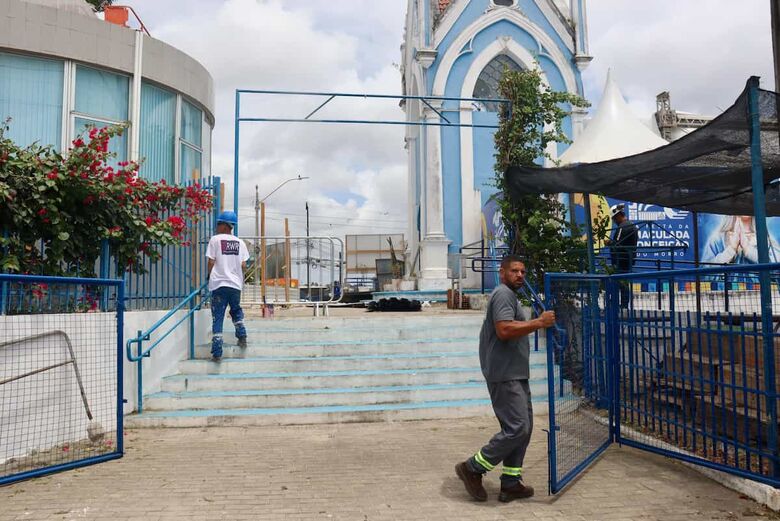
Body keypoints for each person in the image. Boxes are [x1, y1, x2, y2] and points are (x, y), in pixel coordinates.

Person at [455, 255, 556, 503]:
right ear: (502, 273)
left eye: (523, 271)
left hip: (515, 372)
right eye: (514, 271)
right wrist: (538, 322)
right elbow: (504, 329)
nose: (520, 275)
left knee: (523, 429)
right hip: (505, 374)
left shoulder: (510, 295)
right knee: (517, 428)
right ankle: (472, 468)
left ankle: (511, 483)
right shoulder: (502, 294)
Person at [206, 210, 250, 362]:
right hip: (235, 285)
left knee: (218, 315)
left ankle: (217, 351)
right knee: (236, 310)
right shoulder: (240, 243)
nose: (217, 226)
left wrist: (209, 275)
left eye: (219, 223)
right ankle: (242, 335)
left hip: (219, 284)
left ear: (225, 225)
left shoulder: (215, 240)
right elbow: (244, 265)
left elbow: (211, 261)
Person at [702, 215, 780, 264]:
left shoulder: (766, 239)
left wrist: (749, 250)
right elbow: (704, 273)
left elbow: (776, 268)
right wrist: (730, 251)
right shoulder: (718, 239)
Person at [605, 204, 637, 308]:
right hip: (628, 260)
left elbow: (617, 245)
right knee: (623, 283)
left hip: (621, 261)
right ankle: (623, 304)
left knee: (618, 283)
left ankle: (619, 305)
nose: (614, 221)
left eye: (614, 218)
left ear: (618, 216)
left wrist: (609, 243)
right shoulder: (632, 225)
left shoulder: (623, 227)